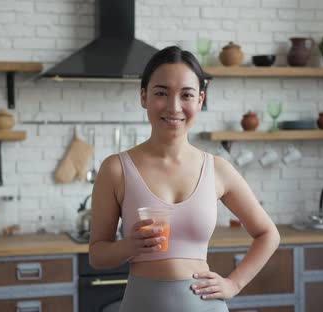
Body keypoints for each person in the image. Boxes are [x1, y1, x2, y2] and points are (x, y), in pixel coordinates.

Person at [89, 46, 280, 312]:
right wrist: (129, 246)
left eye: (186, 95)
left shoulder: (218, 169)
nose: (174, 106)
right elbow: (97, 254)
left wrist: (234, 284)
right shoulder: (116, 169)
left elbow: (268, 234)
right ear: (143, 97)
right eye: (161, 93)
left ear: (200, 100)